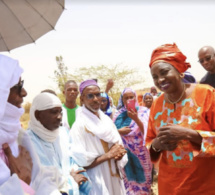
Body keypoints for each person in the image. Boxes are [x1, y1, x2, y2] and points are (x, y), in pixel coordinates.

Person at [147, 43, 215, 195]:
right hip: (169, 187)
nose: (160, 80)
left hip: (205, 186)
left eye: (164, 72)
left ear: (179, 70)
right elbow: (150, 143)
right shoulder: (156, 104)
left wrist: (189, 134)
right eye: (155, 77)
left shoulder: (207, 95)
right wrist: (158, 144)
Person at [0, 54, 65, 194]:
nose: (24, 93)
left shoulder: (18, 135)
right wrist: (20, 183)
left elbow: (40, 178)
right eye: (18, 86)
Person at [69, 79, 128, 195]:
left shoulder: (106, 120)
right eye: (90, 96)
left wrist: (119, 153)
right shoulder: (79, 126)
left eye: (98, 94)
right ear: (82, 99)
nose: (96, 99)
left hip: (114, 176)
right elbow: (81, 160)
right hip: (97, 180)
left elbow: (118, 144)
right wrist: (109, 155)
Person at [27, 92, 91, 195]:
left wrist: (76, 172)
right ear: (37, 115)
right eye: (54, 112)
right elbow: (41, 177)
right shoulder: (28, 140)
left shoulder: (63, 133)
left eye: (60, 112)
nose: (59, 117)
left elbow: (72, 160)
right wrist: (70, 181)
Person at [113, 88, 152, 195]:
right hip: (125, 154)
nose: (129, 99)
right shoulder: (118, 114)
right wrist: (119, 131)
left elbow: (148, 132)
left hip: (142, 154)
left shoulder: (144, 111)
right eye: (126, 98)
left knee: (143, 181)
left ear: (136, 97)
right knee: (128, 182)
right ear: (122, 100)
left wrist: (136, 119)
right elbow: (112, 133)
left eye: (131, 97)